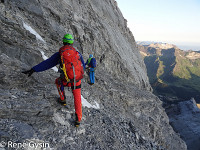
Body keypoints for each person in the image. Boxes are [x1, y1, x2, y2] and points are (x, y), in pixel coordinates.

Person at [22, 34, 85, 127]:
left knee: (58, 82)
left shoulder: (60, 54)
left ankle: (63, 100)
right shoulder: (77, 53)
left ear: (63, 42)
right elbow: (82, 66)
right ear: (72, 43)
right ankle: (78, 120)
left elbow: (48, 63)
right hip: (77, 80)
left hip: (66, 79)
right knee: (77, 97)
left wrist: (34, 69)